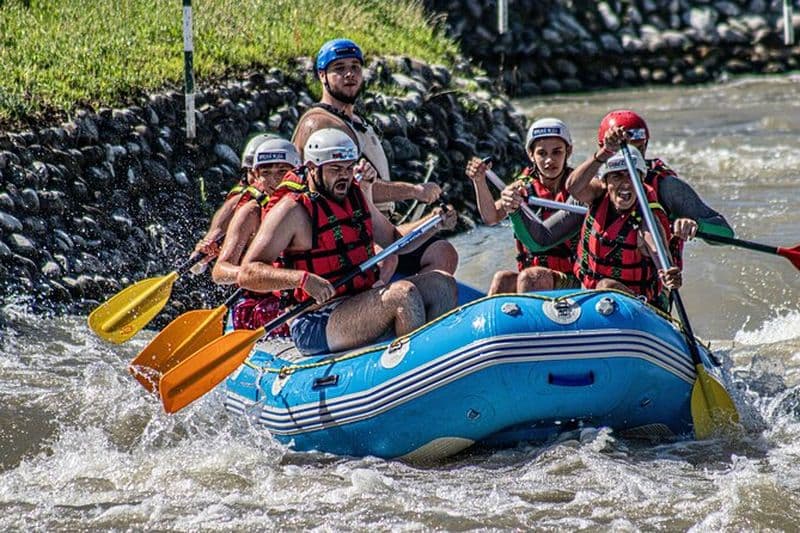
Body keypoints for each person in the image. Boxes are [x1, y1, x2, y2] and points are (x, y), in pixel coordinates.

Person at [238, 128, 458, 355]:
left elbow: (394, 240)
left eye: (349, 168)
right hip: (315, 320)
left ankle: (440, 362)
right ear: (312, 168)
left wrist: (433, 223)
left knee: (442, 284)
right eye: (335, 169)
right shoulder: (292, 210)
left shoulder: (354, 195)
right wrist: (302, 279)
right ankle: (416, 368)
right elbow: (248, 274)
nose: (344, 176)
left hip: (359, 300)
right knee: (402, 294)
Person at [292, 38, 458, 276]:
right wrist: (415, 191)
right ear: (322, 75)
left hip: (381, 224)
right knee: (387, 259)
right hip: (350, 229)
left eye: (355, 67)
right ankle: (388, 305)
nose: (350, 74)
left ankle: (423, 305)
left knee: (442, 252)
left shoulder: (355, 120)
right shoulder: (321, 124)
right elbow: (346, 184)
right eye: (339, 68)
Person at [466, 118, 580, 294]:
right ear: (531, 155)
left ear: (568, 151)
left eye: (557, 152)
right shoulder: (523, 186)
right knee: (501, 279)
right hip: (533, 275)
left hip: (572, 279)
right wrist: (479, 181)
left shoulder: (579, 186)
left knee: (531, 277)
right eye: (542, 153)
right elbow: (491, 217)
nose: (549, 160)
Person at [567, 145, 681, 307]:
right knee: (533, 277)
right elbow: (572, 186)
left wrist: (669, 272)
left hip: (638, 305)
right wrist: (604, 152)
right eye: (617, 176)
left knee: (606, 286)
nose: (626, 183)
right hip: (587, 293)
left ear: (641, 181)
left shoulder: (646, 222)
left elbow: (659, 253)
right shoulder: (597, 195)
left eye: (632, 176)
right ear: (605, 181)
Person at [192, 133, 276, 264]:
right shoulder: (238, 202)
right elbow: (198, 264)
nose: (257, 180)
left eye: (268, 172)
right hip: (247, 275)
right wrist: (201, 255)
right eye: (251, 172)